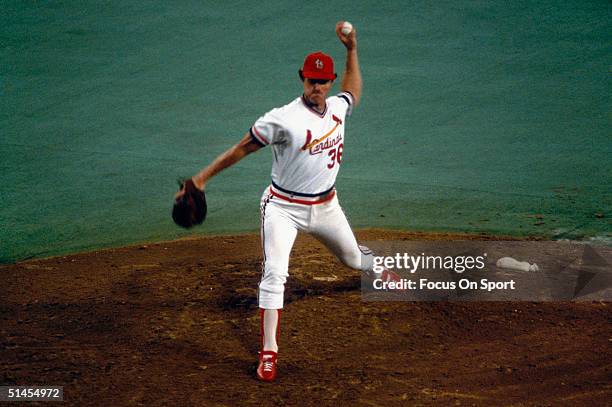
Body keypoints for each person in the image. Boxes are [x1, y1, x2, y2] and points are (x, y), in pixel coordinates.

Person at [179, 22, 396, 382]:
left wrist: (352, 50)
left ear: (330, 82)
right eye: (311, 80)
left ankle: (377, 269)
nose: (316, 87)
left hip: (327, 208)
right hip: (282, 209)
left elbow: (353, 92)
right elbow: (242, 148)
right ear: (302, 78)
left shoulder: (338, 107)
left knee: (354, 259)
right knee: (274, 275)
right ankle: (268, 352)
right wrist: (201, 178)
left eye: (323, 81)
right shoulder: (282, 119)